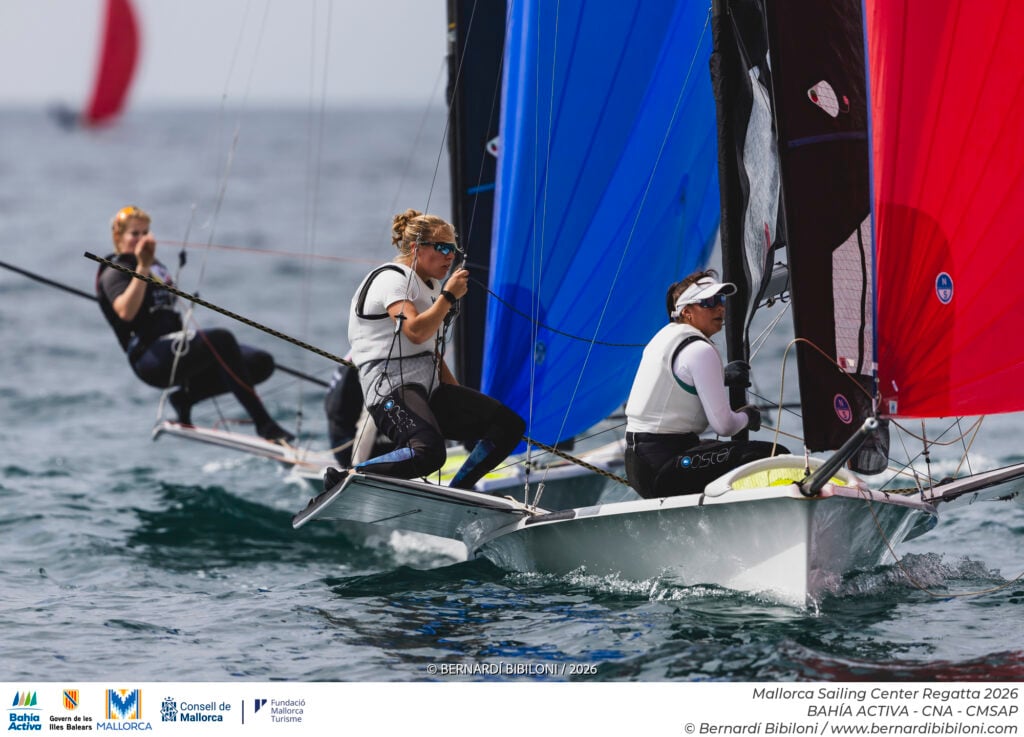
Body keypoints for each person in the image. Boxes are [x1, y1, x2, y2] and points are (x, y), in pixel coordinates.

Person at [334, 208, 525, 490]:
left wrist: (458, 396)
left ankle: (460, 491)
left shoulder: (432, 286)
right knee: (429, 454)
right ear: (416, 248)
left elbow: (430, 348)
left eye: (454, 249)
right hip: (391, 385)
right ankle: (347, 476)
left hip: (429, 384)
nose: (450, 255)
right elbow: (415, 331)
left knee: (508, 427)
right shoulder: (392, 279)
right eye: (442, 247)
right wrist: (448, 296)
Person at [95, 205, 293, 442]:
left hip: (176, 347)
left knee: (261, 363)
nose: (141, 239)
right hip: (149, 357)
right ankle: (265, 426)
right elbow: (126, 312)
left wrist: (148, 267)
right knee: (221, 339)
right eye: (134, 234)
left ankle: (186, 398)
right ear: (118, 237)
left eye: (145, 232)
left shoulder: (154, 266)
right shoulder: (114, 271)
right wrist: (143, 267)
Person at [624, 269, 784, 498]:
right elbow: (725, 426)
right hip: (663, 466)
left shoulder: (665, 337)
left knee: (732, 455)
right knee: (773, 456)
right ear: (687, 312)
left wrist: (723, 377)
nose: (719, 307)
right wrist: (748, 416)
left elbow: (678, 378)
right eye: (708, 302)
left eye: (720, 300)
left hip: (639, 463)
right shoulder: (700, 350)